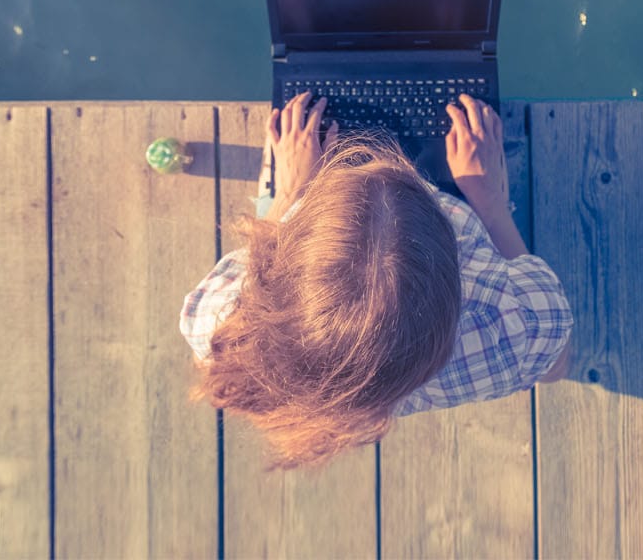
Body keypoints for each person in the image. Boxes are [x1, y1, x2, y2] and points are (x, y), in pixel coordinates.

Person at [180, 92, 574, 470]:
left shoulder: (222, 324)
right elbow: (555, 367)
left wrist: (289, 194)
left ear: (277, 266)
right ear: (455, 276)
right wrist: (491, 204)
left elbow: (208, 351)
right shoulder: (516, 323)